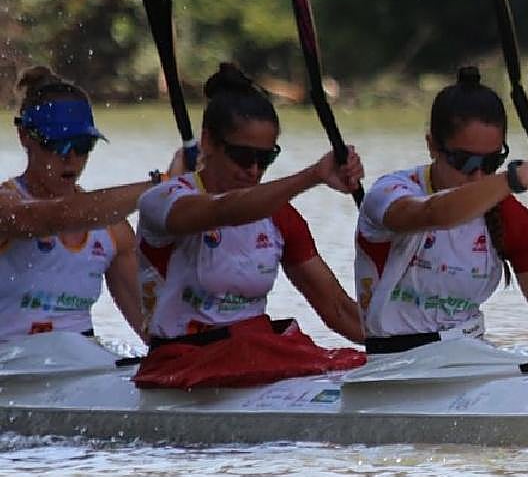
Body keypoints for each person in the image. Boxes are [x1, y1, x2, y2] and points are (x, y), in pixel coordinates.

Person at [133, 62, 366, 388]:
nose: (254, 170)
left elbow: (339, 309)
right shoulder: (165, 201)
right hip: (183, 359)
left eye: (266, 158)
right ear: (208, 143)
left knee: (348, 359)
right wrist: (313, 175)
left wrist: (404, 347)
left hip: (258, 349)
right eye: (243, 156)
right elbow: (226, 210)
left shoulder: (280, 216)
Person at [354, 66, 528, 356]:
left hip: (473, 357)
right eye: (465, 161)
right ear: (432, 146)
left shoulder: (508, 214)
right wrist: (511, 179)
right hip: (395, 362)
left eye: (491, 163)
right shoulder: (390, 193)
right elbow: (434, 215)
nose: (478, 176)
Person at [0, 67, 159, 343]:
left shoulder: (114, 231)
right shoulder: (7, 207)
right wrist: (158, 187)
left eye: (83, 145)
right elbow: (53, 218)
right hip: (11, 370)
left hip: (81, 369)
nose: (71, 158)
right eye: (57, 144)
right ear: (25, 136)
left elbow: (155, 333)